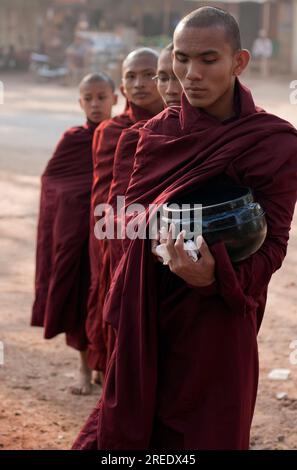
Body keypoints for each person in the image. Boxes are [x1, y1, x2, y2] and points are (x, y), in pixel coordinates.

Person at [73, 7, 297, 450]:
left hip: (219, 324)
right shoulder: (150, 136)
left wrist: (214, 277)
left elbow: (273, 245)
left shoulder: (273, 142)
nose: (190, 74)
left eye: (208, 60)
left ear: (239, 61)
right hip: (150, 315)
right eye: (181, 58)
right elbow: (122, 219)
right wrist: (152, 229)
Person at [31, 73, 117, 395]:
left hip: (111, 235)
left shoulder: (123, 133)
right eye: (88, 98)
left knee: (111, 298)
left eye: (101, 97)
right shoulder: (73, 139)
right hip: (79, 237)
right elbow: (53, 183)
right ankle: (83, 368)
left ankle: (105, 368)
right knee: (82, 297)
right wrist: (75, 209)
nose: (95, 104)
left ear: (115, 98)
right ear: (79, 102)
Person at [86, 48, 164, 380]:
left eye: (149, 74)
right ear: (122, 85)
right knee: (112, 299)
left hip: (159, 235)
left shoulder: (176, 127)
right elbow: (104, 190)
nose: (140, 83)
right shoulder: (109, 130)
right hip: (113, 234)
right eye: (131, 76)